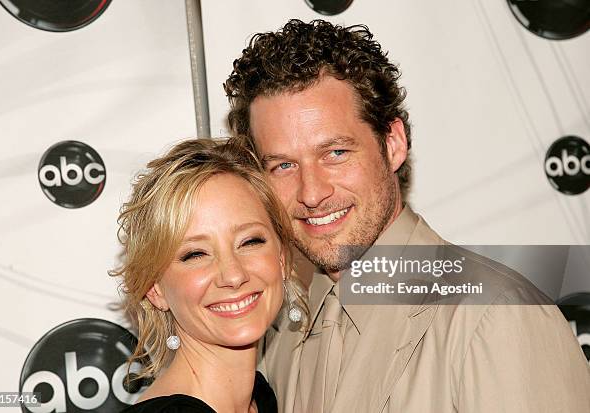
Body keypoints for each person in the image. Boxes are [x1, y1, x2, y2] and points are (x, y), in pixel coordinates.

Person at [224, 19, 590, 412]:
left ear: (393, 143)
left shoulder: (496, 319)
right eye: (283, 166)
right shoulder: (279, 334)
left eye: (335, 153)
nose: (312, 193)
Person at [111, 139, 308, 413]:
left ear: (282, 256)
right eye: (196, 255)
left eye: (250, 241)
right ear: (154, 289)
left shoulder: (263, 397)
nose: (233, 275)